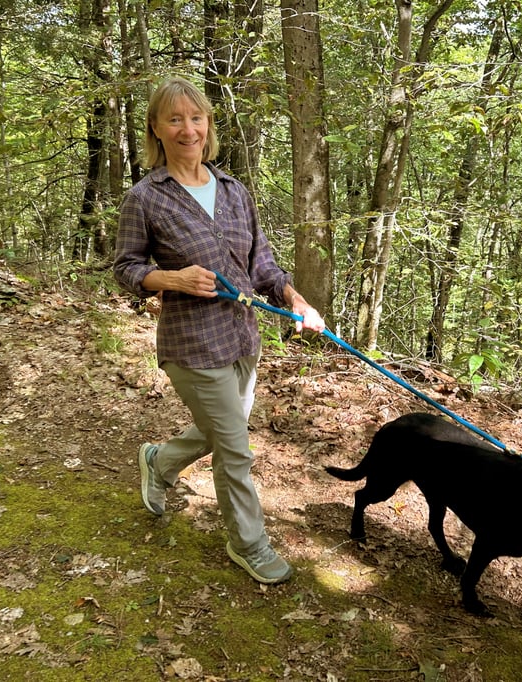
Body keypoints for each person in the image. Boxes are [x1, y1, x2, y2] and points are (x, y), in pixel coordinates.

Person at [112, 76, 325, 585]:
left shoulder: (233, 190)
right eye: (175, 119)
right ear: (156, 128)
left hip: (243, 338)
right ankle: (249, 544)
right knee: (235, 448)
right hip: (192, 345)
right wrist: (170, 279)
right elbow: (125, 268)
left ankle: (159, 463)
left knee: (218, 431)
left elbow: (262, 263)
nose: (188, 129)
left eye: (197, 117)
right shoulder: (146, 197)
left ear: (208, 125)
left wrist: (297, 302)